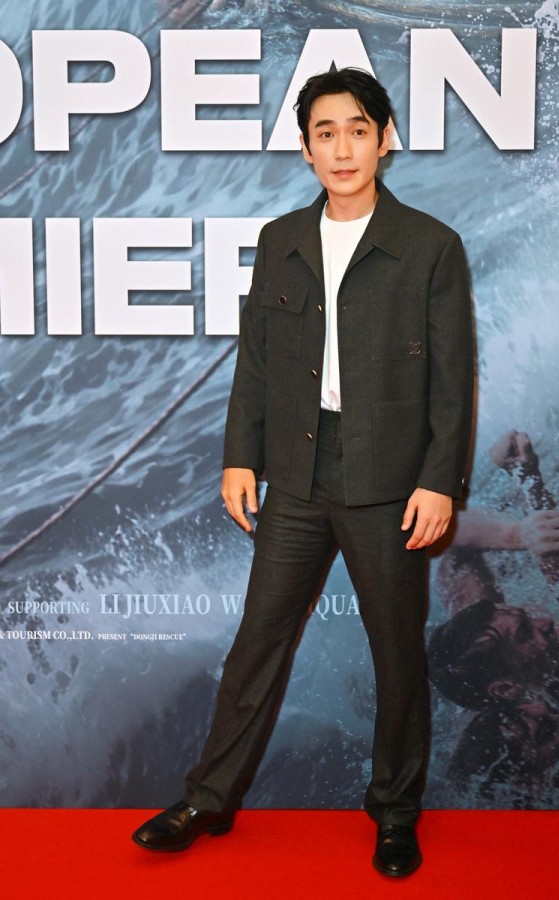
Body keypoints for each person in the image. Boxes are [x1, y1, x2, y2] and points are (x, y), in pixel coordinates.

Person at [132, 67, 474, 878]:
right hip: (295, 469)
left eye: (358, 129)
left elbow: (454, 377)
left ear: (385, 140)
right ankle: (208, 799)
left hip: (390, 480)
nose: (342, 148)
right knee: (257, 643)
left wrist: (440, 481)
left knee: (398, 655)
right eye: (326, 132)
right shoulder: (280, 240)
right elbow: (256, 362)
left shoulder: (430, 245)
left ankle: (395, 813)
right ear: (305, 147)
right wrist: (238, 457)